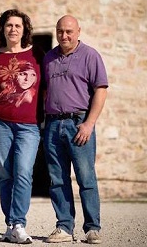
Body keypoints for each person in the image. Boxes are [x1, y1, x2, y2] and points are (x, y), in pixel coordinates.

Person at [42, 15, 108, 244]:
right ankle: (64, 227)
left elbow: (101, 90)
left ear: (79, 31)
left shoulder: (90, 55)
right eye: (60, 31)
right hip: (52, 125)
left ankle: (92, 229)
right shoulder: (49, 58)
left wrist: (89, 123)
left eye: (69, 31)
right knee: (57, 179)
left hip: (78, 124)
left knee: (86, 177)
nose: (64, 35)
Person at [0, 9, 44, 244]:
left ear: (24, 29)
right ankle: (10, 225)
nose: (13, 29)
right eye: (9, 25)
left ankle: (19, 223)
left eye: (18, 26)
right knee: (6, 174)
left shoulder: (37, 54)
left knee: (23, 172)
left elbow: (49, 84)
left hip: (29, 125)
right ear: (3, 29)